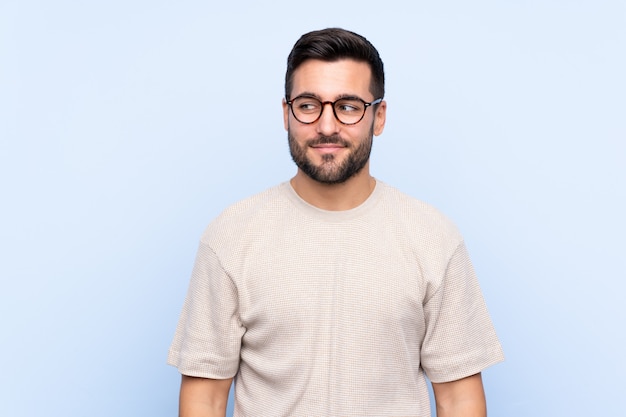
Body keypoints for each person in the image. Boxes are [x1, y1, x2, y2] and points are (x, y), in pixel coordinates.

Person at [168, 27, 504, 417]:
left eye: (347, 106)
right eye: (309, 105)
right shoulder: (231, 235)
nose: (327, 126)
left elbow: (459, 399)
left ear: (378, 116)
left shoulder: (433, 236)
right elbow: (204, 398)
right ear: (286, 113)